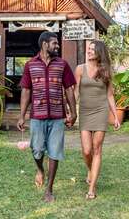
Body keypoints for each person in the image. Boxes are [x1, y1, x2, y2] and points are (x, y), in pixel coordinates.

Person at [17, 31, 77, 203]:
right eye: (54, 43)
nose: (57, 46)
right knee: (36, 149)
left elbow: (69, 90)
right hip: (37, 116)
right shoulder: (30, 65)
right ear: (44, 44)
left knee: (54, 152)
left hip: (58, 117)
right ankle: (40, 170)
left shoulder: (62, 64)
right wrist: (22, 116)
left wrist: (73, 112)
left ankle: (49, 189)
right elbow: (26, 91)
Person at [75, 40, 120, 200]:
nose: (89, 51)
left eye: (93, 49)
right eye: (89, 48)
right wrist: (71, 110)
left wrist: (115, 116)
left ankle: (92, 188)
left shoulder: (106, 70)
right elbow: (75, 92)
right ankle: (90, 169)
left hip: (101, 111)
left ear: (99, 52)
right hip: (85, 112)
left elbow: (109, 95)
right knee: (87, 150)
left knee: (97, 148)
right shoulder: (80, 69)